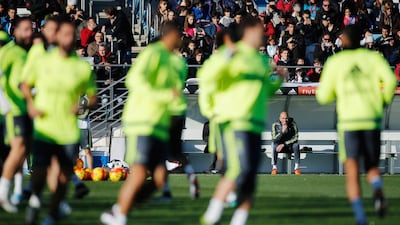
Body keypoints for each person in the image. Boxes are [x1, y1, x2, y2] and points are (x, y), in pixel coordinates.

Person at [200, 16, 285, 225]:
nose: (264, 36)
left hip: (255, 124)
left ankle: (239, 219)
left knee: (250, 176)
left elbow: (263, 91)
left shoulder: (261, 61)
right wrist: (210, 110)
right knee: (237, 169)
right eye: (260, 32)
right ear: (248, 31)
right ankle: (213, 213)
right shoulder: (231, 53)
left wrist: (278, 81)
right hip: (234, 121)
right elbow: (208, 75)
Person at [100, 22, 183, 225]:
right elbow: (134, 80)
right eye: (178, 35)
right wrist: (164, 95)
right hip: (142, 121)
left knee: (159, 180)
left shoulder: (175, 62)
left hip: (160, 125)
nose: (181, 39)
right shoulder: (153, 54)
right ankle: (120, 215)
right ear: (169, 35)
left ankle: (120, 208)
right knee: (139, 172)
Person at [316, 25, 396, 225]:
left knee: (352, 171)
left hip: (349, 122)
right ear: (360, 39)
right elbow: (391, 81)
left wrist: (337, 92)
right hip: (371, 118)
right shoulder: (373, 59)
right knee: (371, 167)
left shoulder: (336, 62)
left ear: (343, 41)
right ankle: (377, 189)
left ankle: (361, 219)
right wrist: (383, 101)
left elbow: (323, 96)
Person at [21, 20, 97, 225]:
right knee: (39, 173)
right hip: (45, 128)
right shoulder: (42, 61)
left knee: (63, 179)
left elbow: (93, 97)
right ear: (57, 36)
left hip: (69, 132)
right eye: (65, 34)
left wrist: (82, 103)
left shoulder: (82, 68)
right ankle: (35, 199)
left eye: (72, 34)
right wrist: (30, 104)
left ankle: (51, 215)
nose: (68, 38)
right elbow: (25, 84)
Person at [0, 17, 33, 213]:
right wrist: (6, 104)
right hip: (12, 110)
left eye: (31, 29)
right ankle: (4, 194)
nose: (29, 33)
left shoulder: (23, 54)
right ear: (16, 31)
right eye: (25, 29)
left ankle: (17, 192)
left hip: (23, 109)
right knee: (17, 149)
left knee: (22, 151)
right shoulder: (10, 52)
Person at [78, 95, 93, 169]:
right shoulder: (72, 97)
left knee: (87, 151)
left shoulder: (87, 98)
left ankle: (90, 170)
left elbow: (84, 114)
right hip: (73, 128)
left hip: (84, 128)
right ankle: (75, 169)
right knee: (74, 152)